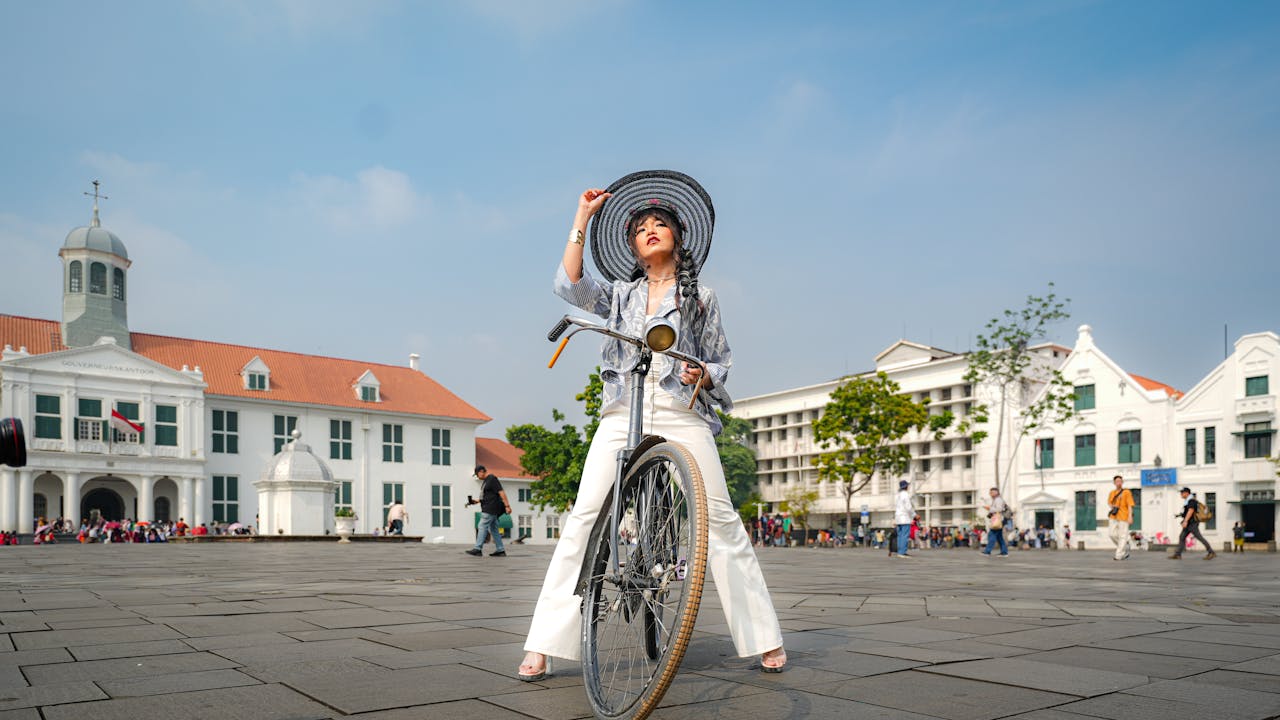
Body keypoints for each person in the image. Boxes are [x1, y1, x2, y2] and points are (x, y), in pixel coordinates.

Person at [518, 176, 786, 681]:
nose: (650, 230)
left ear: (678, 239)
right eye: (640, 228)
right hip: (624, 409)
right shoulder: (620, 294)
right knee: (584, 516)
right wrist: (582, 218)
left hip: (682, 411)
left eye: (660, 223)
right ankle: (545, 643)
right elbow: (569, 284)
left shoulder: (701, 297)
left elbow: (720, 361)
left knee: (721, 519)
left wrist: (703, 374)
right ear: (635, 249)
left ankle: (762, 637)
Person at [466, 465, 510, 557]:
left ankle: (478, 549)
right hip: (490, 508)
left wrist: (507, 506)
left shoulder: (492, 479)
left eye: (477, 474)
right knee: (494, 529)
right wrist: (476, 501)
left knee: (482, 526)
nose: (477, 477)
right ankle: (500, 550)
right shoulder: (486, 481)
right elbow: (489, 496)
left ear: (481, 471)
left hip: (490, 508)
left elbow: (501, 492)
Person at [1171, 487, 1216, 560]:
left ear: (1187, 493)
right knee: (1182, 537)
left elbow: (1191, 511)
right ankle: (1178, 554)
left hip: (1192, 524)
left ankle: (1211, 552)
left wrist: (1185, 521)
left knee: (1199, 537)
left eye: (1182, 493)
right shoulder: (1188, 501)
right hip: (1189, 524)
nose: (1181, 494)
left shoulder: (1191, 501)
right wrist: (1180, 515)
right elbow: (1187, 512)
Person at [982, 487, 1009, 556]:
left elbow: (999, 509)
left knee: (992, 534)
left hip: (999, 519)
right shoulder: (996, 500)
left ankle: (987, 551)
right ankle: (1004, 552)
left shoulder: (998, 500)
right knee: (999, 537)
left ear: (996, 492)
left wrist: (989, 508)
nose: (990, 494)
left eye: (992, 492)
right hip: (999, 520)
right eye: (990, 492)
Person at [892, 481, 914, 558]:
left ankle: (900, 551)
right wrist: (914, 514)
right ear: (906, 486)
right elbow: (908, 507)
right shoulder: (906, 495)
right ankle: (902, 552)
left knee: (900, 536)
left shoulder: (898, 495)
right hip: (905, 518)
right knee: (905, 535)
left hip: (898, 518)